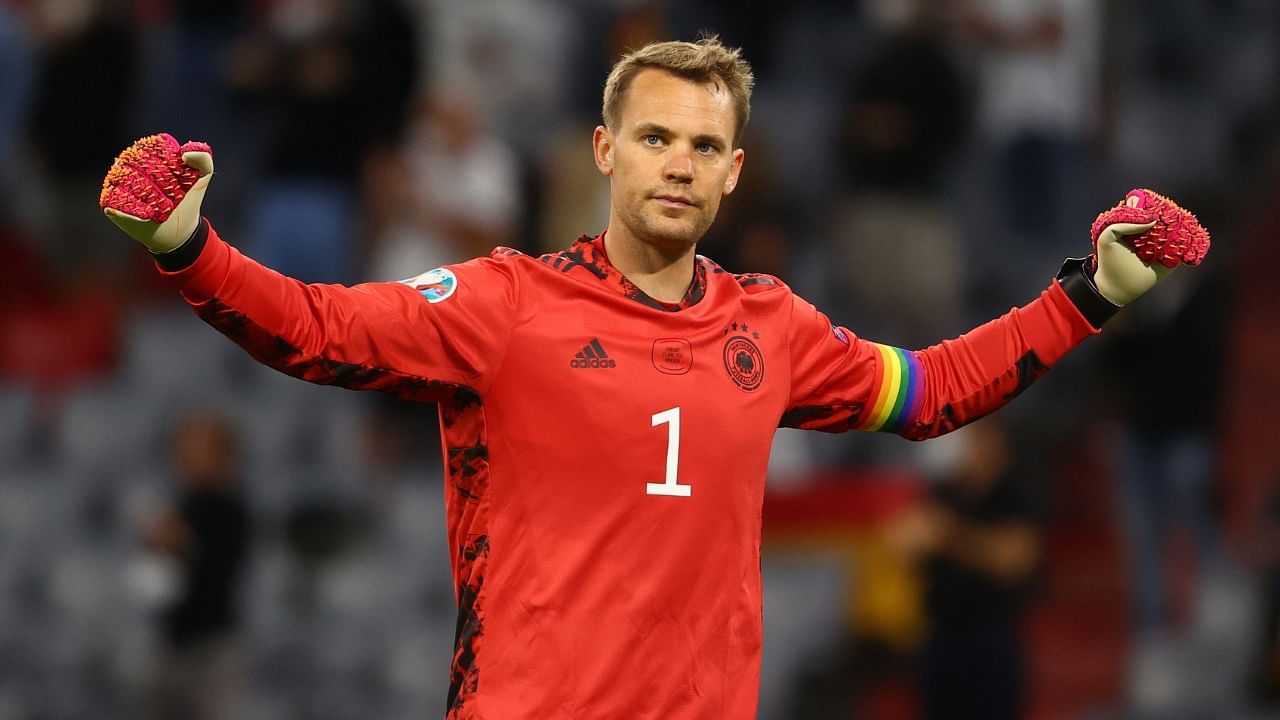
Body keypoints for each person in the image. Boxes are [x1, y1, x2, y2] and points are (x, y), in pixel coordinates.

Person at [100, 36, 1190, 720]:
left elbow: (930, 391)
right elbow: (320, 328)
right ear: (603, 150)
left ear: (733, 172)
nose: (678, 161)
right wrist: (191, 251)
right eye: (655, 135)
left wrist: (1084, 297)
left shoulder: (773, 324)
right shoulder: (504, 303)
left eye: (703, 146)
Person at [142, 408, 252, 720]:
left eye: (195, 444)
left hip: (212, 652)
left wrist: (180, 547)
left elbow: (215, 574)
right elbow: (153, 586)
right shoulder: (182, 506)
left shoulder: (230, 510)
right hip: (173, 645)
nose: (182, 453)